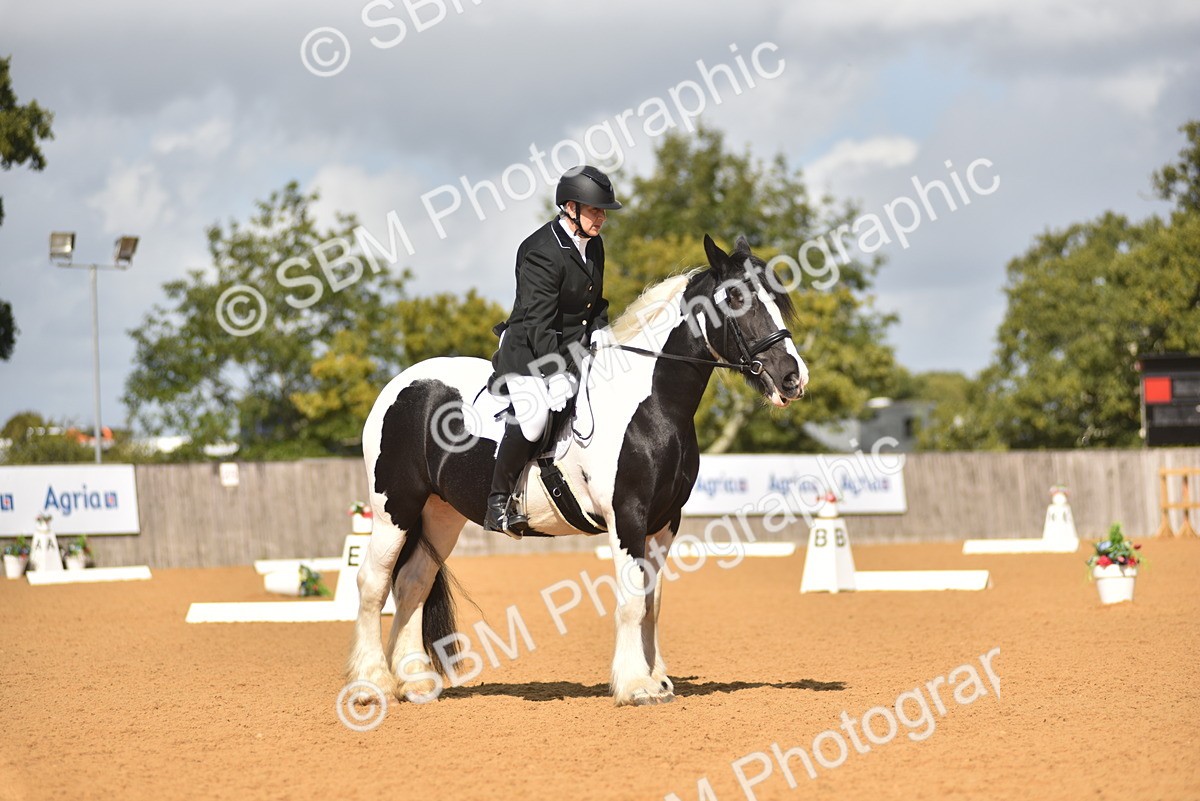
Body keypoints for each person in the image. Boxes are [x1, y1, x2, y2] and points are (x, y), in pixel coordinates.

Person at [484, 165, 622, 535]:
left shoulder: (594, 245)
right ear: (571, 208)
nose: (601, 218)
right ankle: (497, 502)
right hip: (530, 351)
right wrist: (554, 373)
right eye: (596, 210)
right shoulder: (542, 251)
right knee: (534, 417)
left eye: (603, 211)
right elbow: (538, 323)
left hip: (575, 349)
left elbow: (595, 303)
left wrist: (603, 335)